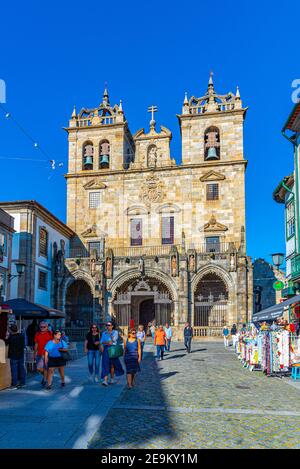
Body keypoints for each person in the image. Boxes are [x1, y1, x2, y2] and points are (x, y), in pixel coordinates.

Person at [100, 321, 124, 386]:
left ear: (112, 326)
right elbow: (102, 341)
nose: (108, 326)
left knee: (112, 365)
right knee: (105, 364)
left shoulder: (115, 332)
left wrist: (108, 340)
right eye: (107, 325)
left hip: (113, 349)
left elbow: (113, 340)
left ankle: (112, 378)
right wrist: (107, 342)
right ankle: (105, 380)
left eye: (109, 325)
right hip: (106, 350)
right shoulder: (104, 333)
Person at [5, 324, 26, 389]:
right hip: (21, 355)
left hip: (13, 356)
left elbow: (6, 343)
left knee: (14, 370)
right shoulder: (22, 336)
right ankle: (23, 382)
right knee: (21, 369)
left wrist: (7, 336)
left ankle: (15, 384)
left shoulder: (11, 337)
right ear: (17, 329)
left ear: (11, 330)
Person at [34, 322, 53, 387]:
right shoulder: (37, 334)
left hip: (47, 354)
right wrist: (34, 353)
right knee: (39, 368)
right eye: (41, 327)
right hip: (39, 353)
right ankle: (47, 377)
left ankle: (45, 380)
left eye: (44, 327)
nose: (42, 328)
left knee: (46, 368)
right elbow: (36, 344)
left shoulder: (50, 333)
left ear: (47, 327)